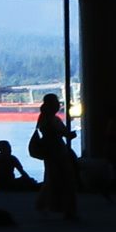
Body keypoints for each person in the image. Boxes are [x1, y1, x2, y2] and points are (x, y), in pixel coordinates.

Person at [32, 91, 80, 220]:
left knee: (52, 180)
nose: (58, 106)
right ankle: (66, 210)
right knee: (64, 180)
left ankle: (45, 205)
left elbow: (56, 132)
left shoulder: (44, 119)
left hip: (53, 152)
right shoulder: (53, 119)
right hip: (57, 152)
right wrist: (68, 135)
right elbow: (59, 132)